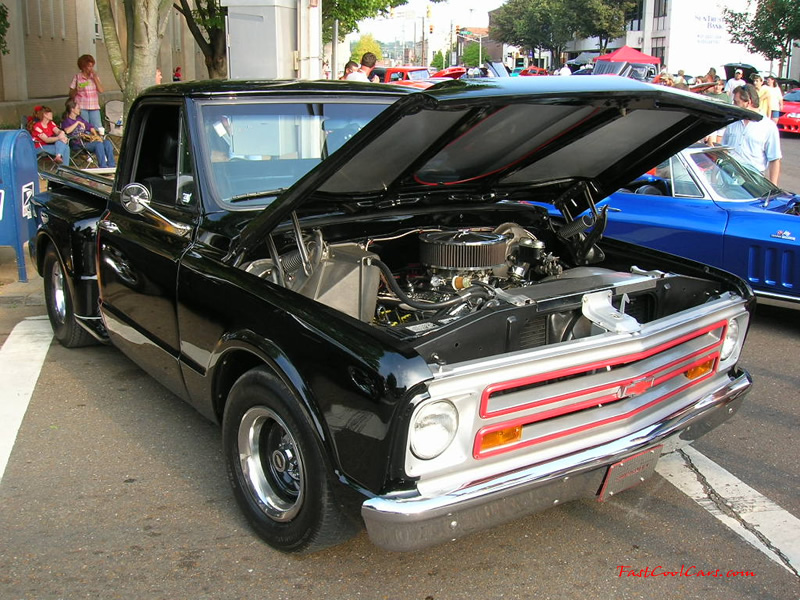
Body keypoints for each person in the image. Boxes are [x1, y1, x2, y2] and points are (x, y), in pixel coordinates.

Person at [723, 84, 781, 185]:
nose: (734, 105)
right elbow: (723, 151)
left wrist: (773, 186)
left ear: (748, 102)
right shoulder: (731, 123)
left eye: (736, 102)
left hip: (754, 182)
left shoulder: (768, 126)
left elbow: (774, 159)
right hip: (728, 180)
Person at [61, 99, 116, 168]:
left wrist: (95, 135)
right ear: (72, 109)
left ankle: (112, 165)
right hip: (78, 144)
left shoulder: (79, 118)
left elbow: (90, 126)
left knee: (106, 142)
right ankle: (103, 167)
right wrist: (77, 123)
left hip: (88, 140)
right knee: (98, 145)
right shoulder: (66, 121)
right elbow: (67, 131)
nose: (79, 110)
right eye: (78, 108)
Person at [69, 54, 104, 130]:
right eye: (89, 66)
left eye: (92, 66)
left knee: (98, 127)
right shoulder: (77, 77)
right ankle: (86, 141)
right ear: (83, 67)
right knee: (84, 127)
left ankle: (98, 141)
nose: (91, 69)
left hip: (94, 106)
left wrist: (95, 77)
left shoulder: (94, 77)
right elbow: (71, 94)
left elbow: (101, 90)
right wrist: (77, 89)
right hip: (81, 107)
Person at [702, 77, 731, 146]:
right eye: (716, 85)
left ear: (722, 86)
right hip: (711, 124)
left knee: (718, 145)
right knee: (711, 144)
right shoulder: (707, 96)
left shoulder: (726, 97)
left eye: (719, 85)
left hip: (722, 124)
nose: (717, 87)